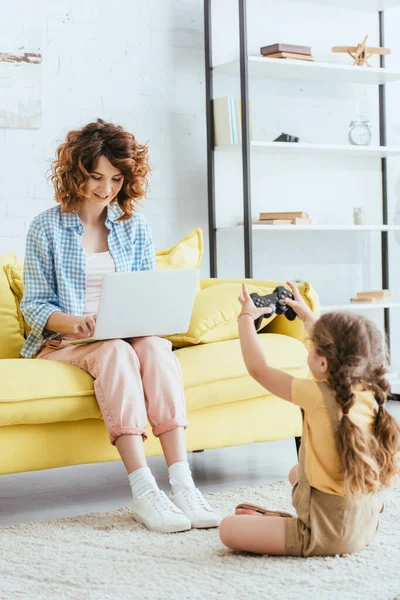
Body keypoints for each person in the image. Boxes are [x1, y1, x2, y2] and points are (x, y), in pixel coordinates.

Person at [20, 118, 220, 534]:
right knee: (114, 350)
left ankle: (183, 484)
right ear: (75, 173)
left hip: (125, 333)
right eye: (95, 176)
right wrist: (77, 323)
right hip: (66, 342)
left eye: (115, 178)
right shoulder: (46, 227)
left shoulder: (134, 227)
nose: (105, 188)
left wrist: (139, 324)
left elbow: (145, 293)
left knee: (153, 347)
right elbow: (35, 307)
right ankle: (144, 489)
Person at [219, 282, 400, 556]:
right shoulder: (368, 392)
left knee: (228, 529)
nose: (308, 351)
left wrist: (246, 318)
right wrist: (306, 317)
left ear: (324, 362)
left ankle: (280, 523)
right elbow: (335, 349)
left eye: (310, 347)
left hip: (327, 534)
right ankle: (273, 522)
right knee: (296, 473)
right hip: (365, 520)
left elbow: (258, 369)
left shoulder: (316, 395)